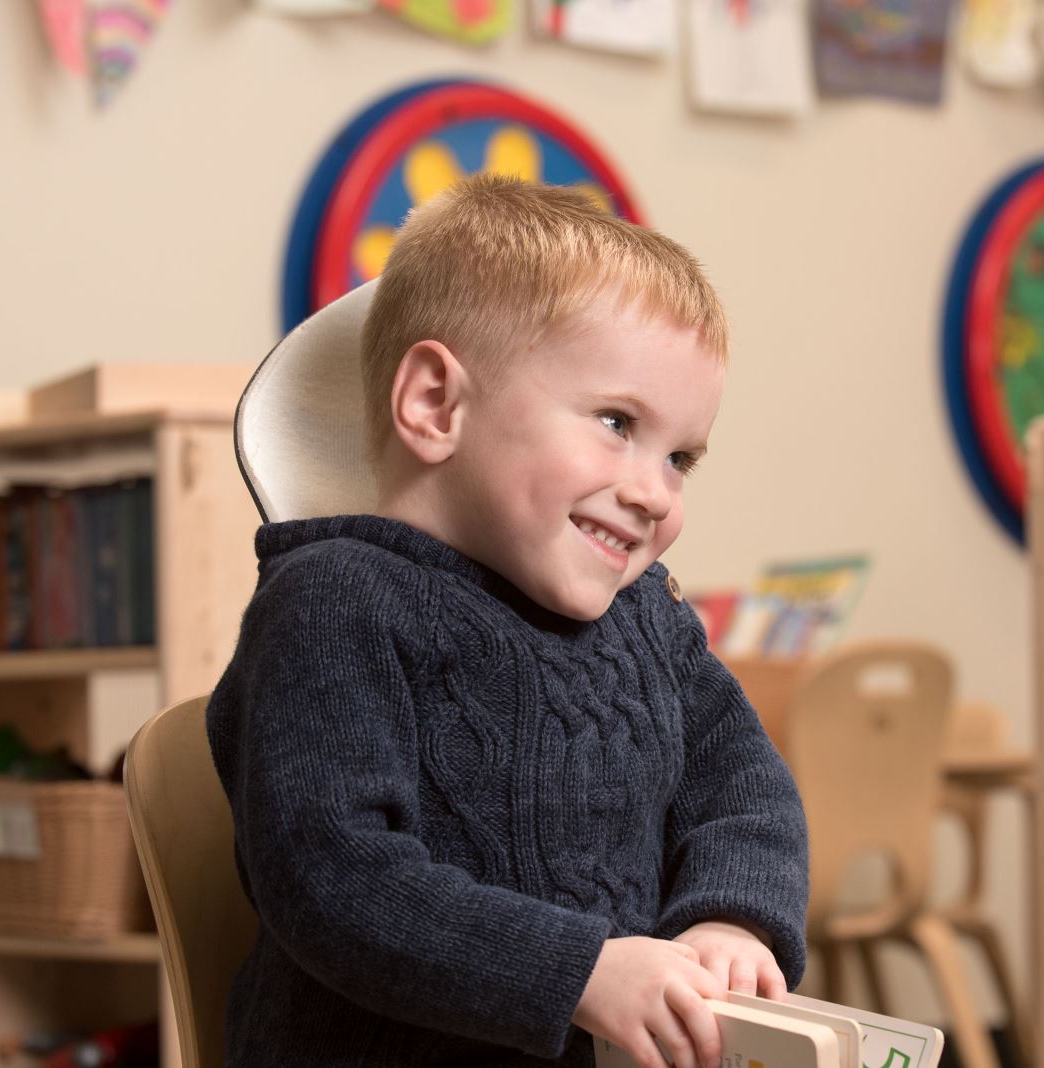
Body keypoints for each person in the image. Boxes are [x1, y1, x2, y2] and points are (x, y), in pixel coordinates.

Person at [206, 175, 809, 1068]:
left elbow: (744, 790)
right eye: (616, 422)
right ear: (436, 405)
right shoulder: (334, 602)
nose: (654, 491)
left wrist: (730, 915)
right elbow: (334, 873)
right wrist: (579, 973)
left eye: (680, 456)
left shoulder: (649, 620)